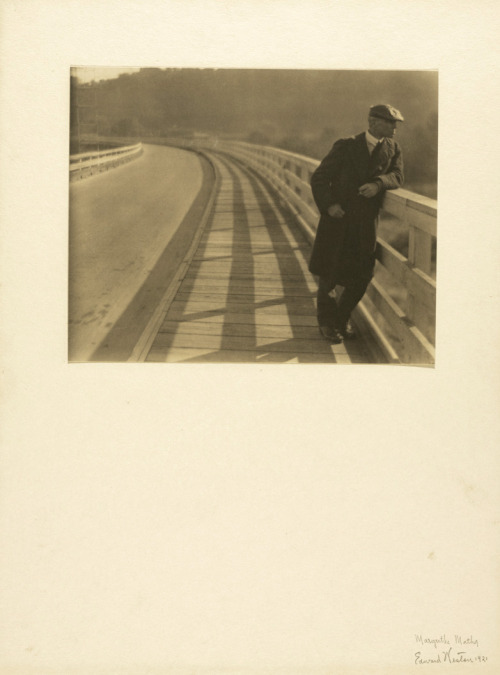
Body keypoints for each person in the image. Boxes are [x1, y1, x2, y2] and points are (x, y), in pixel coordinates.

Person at [309, 103, 404, 343]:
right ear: (373, 122)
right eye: (390, 122)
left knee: (363, 274)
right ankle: (327, 324)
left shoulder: (392, 148)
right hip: (338, 220)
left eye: (395, 123)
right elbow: (319, 178)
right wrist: (330, 205)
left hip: (365, 224)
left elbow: (398, 176)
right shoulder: (346, 145)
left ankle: (340, 319)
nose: (395, 127)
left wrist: (379, 184)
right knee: (329, 273)